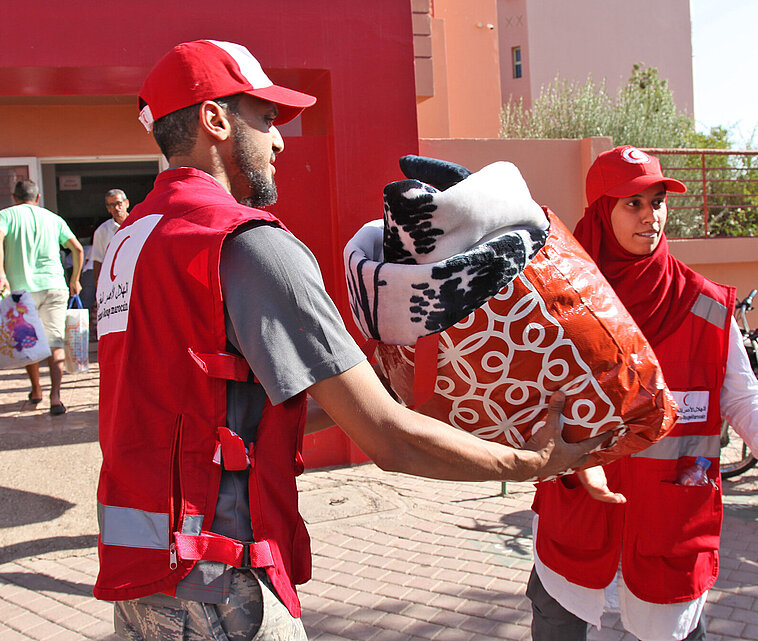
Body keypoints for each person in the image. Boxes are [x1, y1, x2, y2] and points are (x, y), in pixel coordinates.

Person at [94, 39, 610, 641]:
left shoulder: (128, 245)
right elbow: (390, 442)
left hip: (145, 583)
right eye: (266, 119)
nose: (281, 140)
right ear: (215, 119)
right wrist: (529, 464)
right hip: (222, 593)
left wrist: (376, 392)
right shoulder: (249, 245)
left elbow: (209, 409)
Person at [526, 146, 758, 641]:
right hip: (577, 533)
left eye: (657, 201)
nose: (650, 217)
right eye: (632, 203)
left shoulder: (707, 307)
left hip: (669, 538)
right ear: (600, 212)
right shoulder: (558, 304)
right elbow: (523, 401)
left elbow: (742, 400)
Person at [0, 179, 83, 415]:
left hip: (22, 291)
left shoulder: (6, 215)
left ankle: (37, 390)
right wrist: (74, 280)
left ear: (14, 197)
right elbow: (78, 249)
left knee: (27, 339)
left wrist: (1, 274)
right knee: (55, 341)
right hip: (55, 286)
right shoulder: (53, 219)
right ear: (38, 197)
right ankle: (56, 397)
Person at [92, 188, 130, 284]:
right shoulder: (102, 231)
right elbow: (97, 260)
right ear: (108, 208)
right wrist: (98, 285)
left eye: (119, 203)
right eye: (112, 205)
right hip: (113, 283)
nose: (116, 208)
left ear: (127, 203)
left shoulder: (139, 225)